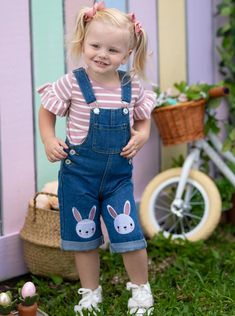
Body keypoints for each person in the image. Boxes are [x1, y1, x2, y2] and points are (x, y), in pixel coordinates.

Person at [38, 1, 156, 315]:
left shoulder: (132, 88)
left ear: (128, 53)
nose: (102, 54)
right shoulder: (72, 83)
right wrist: (49, 139)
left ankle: (141, 290)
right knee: (84, 236)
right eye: (95, 45)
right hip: (79, 178)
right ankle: (90, 292)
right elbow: (47, 112)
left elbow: (143, 119)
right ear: (83, 42)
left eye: (113, 50)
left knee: (129, 234)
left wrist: (141, 135)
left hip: (118, 180)